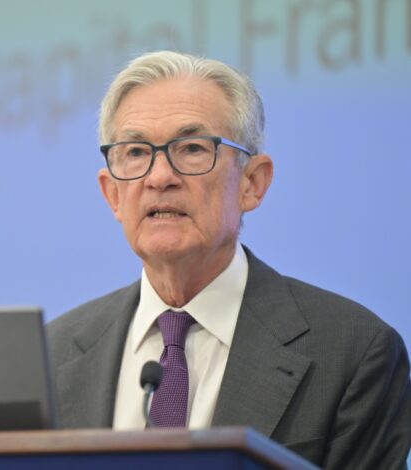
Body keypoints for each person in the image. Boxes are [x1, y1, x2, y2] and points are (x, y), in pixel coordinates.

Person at [46, 51, 411, 468]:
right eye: (135, 152)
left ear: (253, 183)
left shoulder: (352, 353)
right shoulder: (55, 355)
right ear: (112, 193)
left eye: (192, 149)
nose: (160, 177)